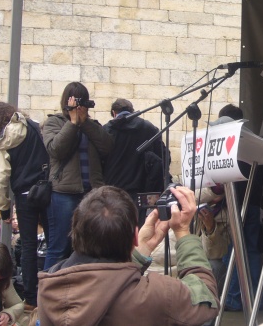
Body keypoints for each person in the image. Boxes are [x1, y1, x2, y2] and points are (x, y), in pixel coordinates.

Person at [37, 185, 219, 325]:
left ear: (74, 231)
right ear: (135, 236)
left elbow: (100, 284)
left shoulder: (50, 285)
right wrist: (183, 233)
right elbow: (206, 296)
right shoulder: (154, 294)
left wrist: (141, 252)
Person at [0, 101, 49, 310]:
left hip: (24, 194)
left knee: (28, 245)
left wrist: (4, 207)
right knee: (53, 240)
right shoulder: (34, 125)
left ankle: (30, 297)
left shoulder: (2, 139)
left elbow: (1, 177)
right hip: (46, 189)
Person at [42, 82, 113, 269]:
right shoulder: (54, 122)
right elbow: (56, 150)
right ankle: (49, 291)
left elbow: (107, 147)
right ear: (66, 101)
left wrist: (85, 122)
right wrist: (72, 124)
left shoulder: (92, 126)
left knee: (93, 245)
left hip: (92, 192)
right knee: (59, 246)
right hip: (63, 192)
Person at [208, 104, 263, 312]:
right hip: (255, 203)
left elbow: (223, 179)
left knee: (236, 251)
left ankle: (232, 298)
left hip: (237, 203)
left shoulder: (232, 142)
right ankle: (257, 298)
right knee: (251, 250)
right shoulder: (255, 142)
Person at [102, 98, 170, 218]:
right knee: (139, 233)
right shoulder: (148, 128)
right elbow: (165, 158)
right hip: (141, 194)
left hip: (112, 193)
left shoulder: (106, 130)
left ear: (114, 113)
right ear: (132, 111)